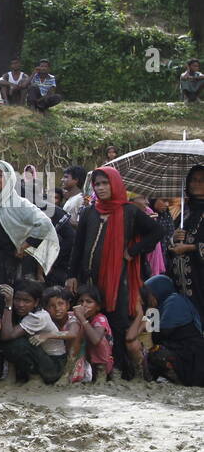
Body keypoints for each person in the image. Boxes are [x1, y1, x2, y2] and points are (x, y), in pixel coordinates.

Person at [67, 165, 163, 375]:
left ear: (115, 184)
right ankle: (92, 368)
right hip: (89, 278)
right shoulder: (90, 212)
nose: (100, 188)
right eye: (97, 184)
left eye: (105, 183)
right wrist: (72, 275)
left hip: (119, 278)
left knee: (117, 321)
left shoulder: (129, 211)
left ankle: (120, 369)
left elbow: (157, 231)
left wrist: (133, 251)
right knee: (90, 319)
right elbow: (79, 245)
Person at [0, 160, 60, 297]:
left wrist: (25, 245)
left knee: (3, 303)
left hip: (5, 267)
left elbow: (45, 224)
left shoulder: (18, 204)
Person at [0, 280, 65, 383]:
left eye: (26, 301)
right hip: (44, 359)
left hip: (53, 366)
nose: (21, 304)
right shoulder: (25, 314)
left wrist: (9, 304)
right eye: (17, 299)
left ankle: (35, 378)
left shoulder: (38, 317)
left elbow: (6, 335)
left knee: (16, 344)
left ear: (36, 302)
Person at [145, 274, 204, 385]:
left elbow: (160, 334)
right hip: (181, 350)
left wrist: (150, 317)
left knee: (157, 353)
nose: (148, 299)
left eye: (150, 295)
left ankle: (180, 380)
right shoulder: (161, 307)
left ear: (159, 291)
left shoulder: (174, 302)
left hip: (191, 355)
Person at [167, 164, 204, 320]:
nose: (196, 184)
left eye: (202, 180)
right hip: (180, 281)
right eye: (193, 180)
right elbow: (169, 244)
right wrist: (173, 238)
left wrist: (190, 247)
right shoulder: (184, 212)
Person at [67, 283, 115, 383]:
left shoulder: (100, 319)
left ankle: (100, 375)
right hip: (83, 359)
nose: (84, 305)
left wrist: (82, 318)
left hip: (102, 363)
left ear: (98, 307)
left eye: (89, 302)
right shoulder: (75, 317)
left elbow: (96, 340)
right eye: (81, 301)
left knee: (99, 339)